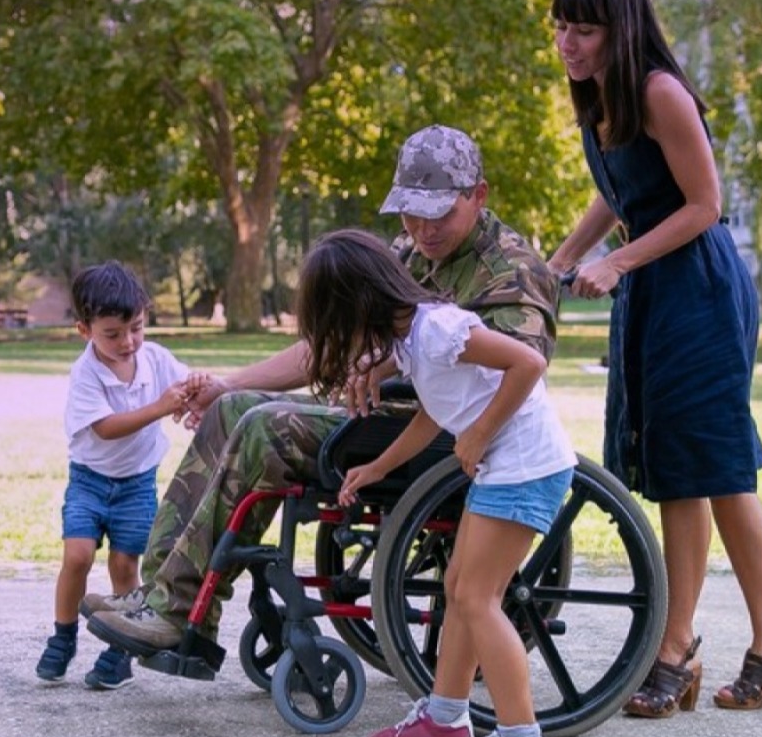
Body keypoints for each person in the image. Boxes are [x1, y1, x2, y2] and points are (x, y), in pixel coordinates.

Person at [85, 125, 561, 657]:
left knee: (266, 429)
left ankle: (180, 611)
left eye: (440, 213)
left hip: (448, 435)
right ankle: (158, 595)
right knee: (230, 409)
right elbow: (329, 346)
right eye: (410, 212)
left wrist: (383, 366)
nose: (423, 229)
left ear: (479, 195)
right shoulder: (407, 252)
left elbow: (522, 373)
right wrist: (229, 382)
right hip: (377, 417)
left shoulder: (512, 272)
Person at [547, 0, 762, 718]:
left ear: (620, 28)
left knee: (694, 468)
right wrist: (561, 257)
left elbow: (703, 204)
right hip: (657, 290)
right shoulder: (600, 97)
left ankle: (677, 644)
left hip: (696, 287)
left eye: (585, 28)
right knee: (709, 470)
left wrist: (617, 260)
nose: (569, 42)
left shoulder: (659, 91)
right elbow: (619, 190)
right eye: (561, 26)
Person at [303, 229, 573, 737]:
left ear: (357, 305)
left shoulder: (438, 328)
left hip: (525, 465)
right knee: (459, 586)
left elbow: (527, 362)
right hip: (505, 465)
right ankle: (446, 718)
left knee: (478, 597)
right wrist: (378, 466)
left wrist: (478, 434)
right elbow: (434, 410)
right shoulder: (411, 339)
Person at [35, 262, 203, 690]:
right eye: (112, 334)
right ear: (84, 330)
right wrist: (163, 407)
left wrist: (198, 394)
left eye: (137, 328)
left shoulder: (156, 360)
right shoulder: (86, 373)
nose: (127, 342)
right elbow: (106, 428)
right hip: (90, 481)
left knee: (125, 566)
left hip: (137, 484)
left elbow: (186, 387)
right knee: (78, 557)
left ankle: (120, 651)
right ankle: (64, 636)